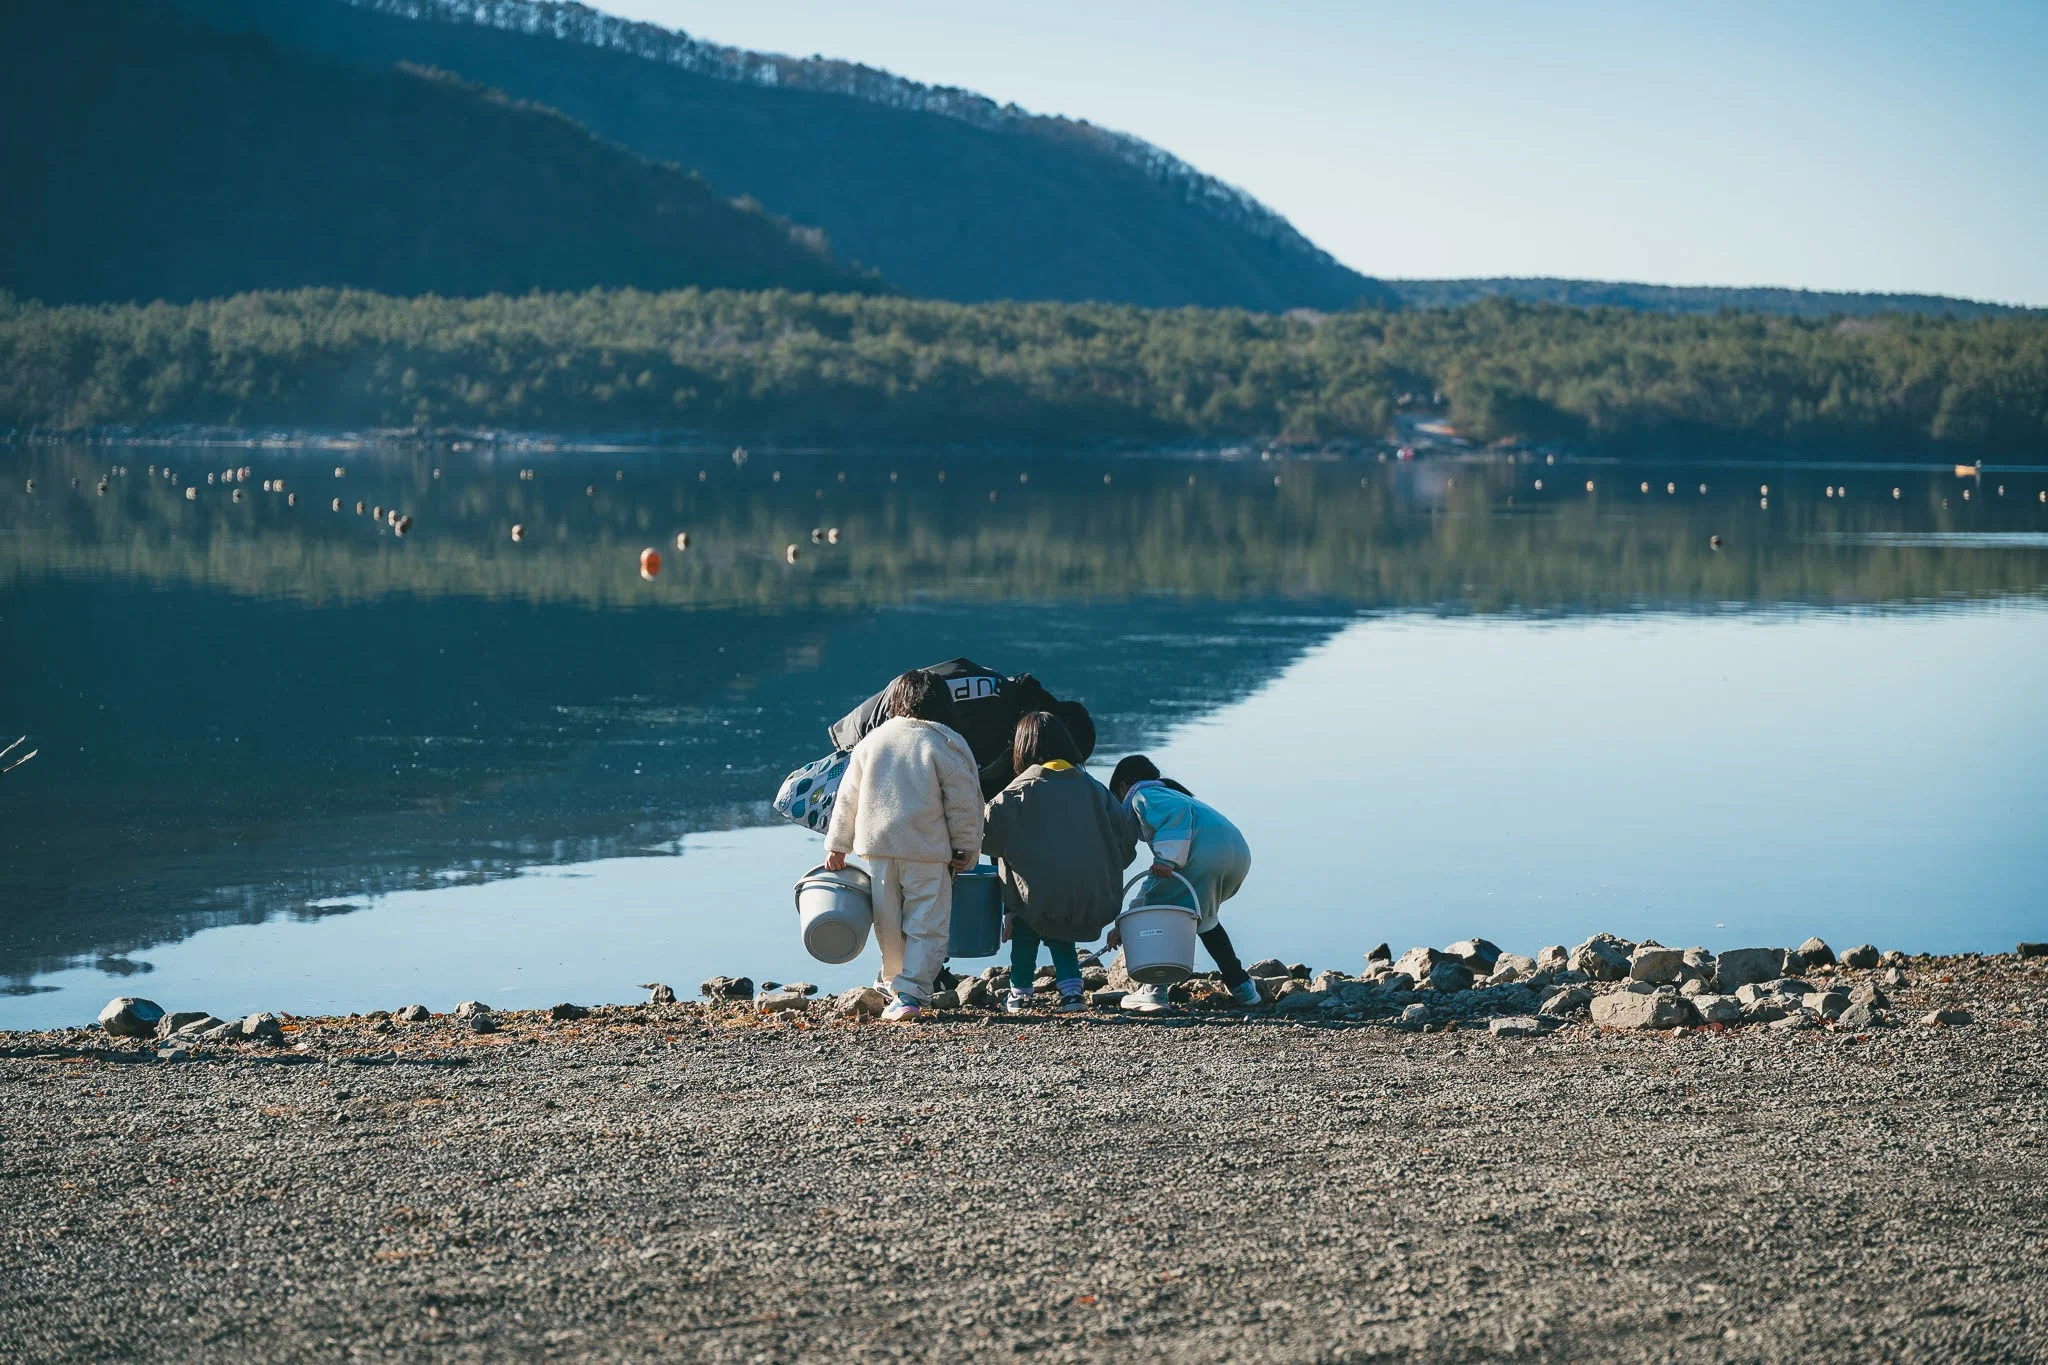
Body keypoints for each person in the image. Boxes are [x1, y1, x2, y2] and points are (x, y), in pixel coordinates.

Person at [823, 670, 985, 1022]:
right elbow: (963, 802)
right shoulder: (945, 743)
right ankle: (909, 992)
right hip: (927, 850)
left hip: (878, 849)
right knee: (927, 921)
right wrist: (965, 846)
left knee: (888, 921)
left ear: (895, 701)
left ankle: (893, 983)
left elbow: (847, 797)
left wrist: (837, 845)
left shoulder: (873, 741)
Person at [980, 712, 1138, 1014]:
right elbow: (1125, 844)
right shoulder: (1095, 789)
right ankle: (1071, 991)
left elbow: (986, 838)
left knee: (1026, 926)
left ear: (1023, 748)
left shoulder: (1017, 792)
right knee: (1060, 931)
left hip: (1037, 899)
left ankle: (1020, 991)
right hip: (1089, 896)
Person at [1107, 755, 1259, 1012]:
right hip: (1236, 855)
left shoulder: (1142, 795)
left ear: (1122, 787)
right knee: (1205, 919)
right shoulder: (1177, 797)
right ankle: (1243, 988)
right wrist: (1125, 921)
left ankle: (1153, 989)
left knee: (1156, 912)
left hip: (1202, 857)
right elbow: (1154, 884)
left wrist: (1166, 859)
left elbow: (1176, 818)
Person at [829, 658, 1095, 798]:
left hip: (888, 725)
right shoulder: (994, 713)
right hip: (872, 733)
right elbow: (965, 786)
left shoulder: (1008, 697)